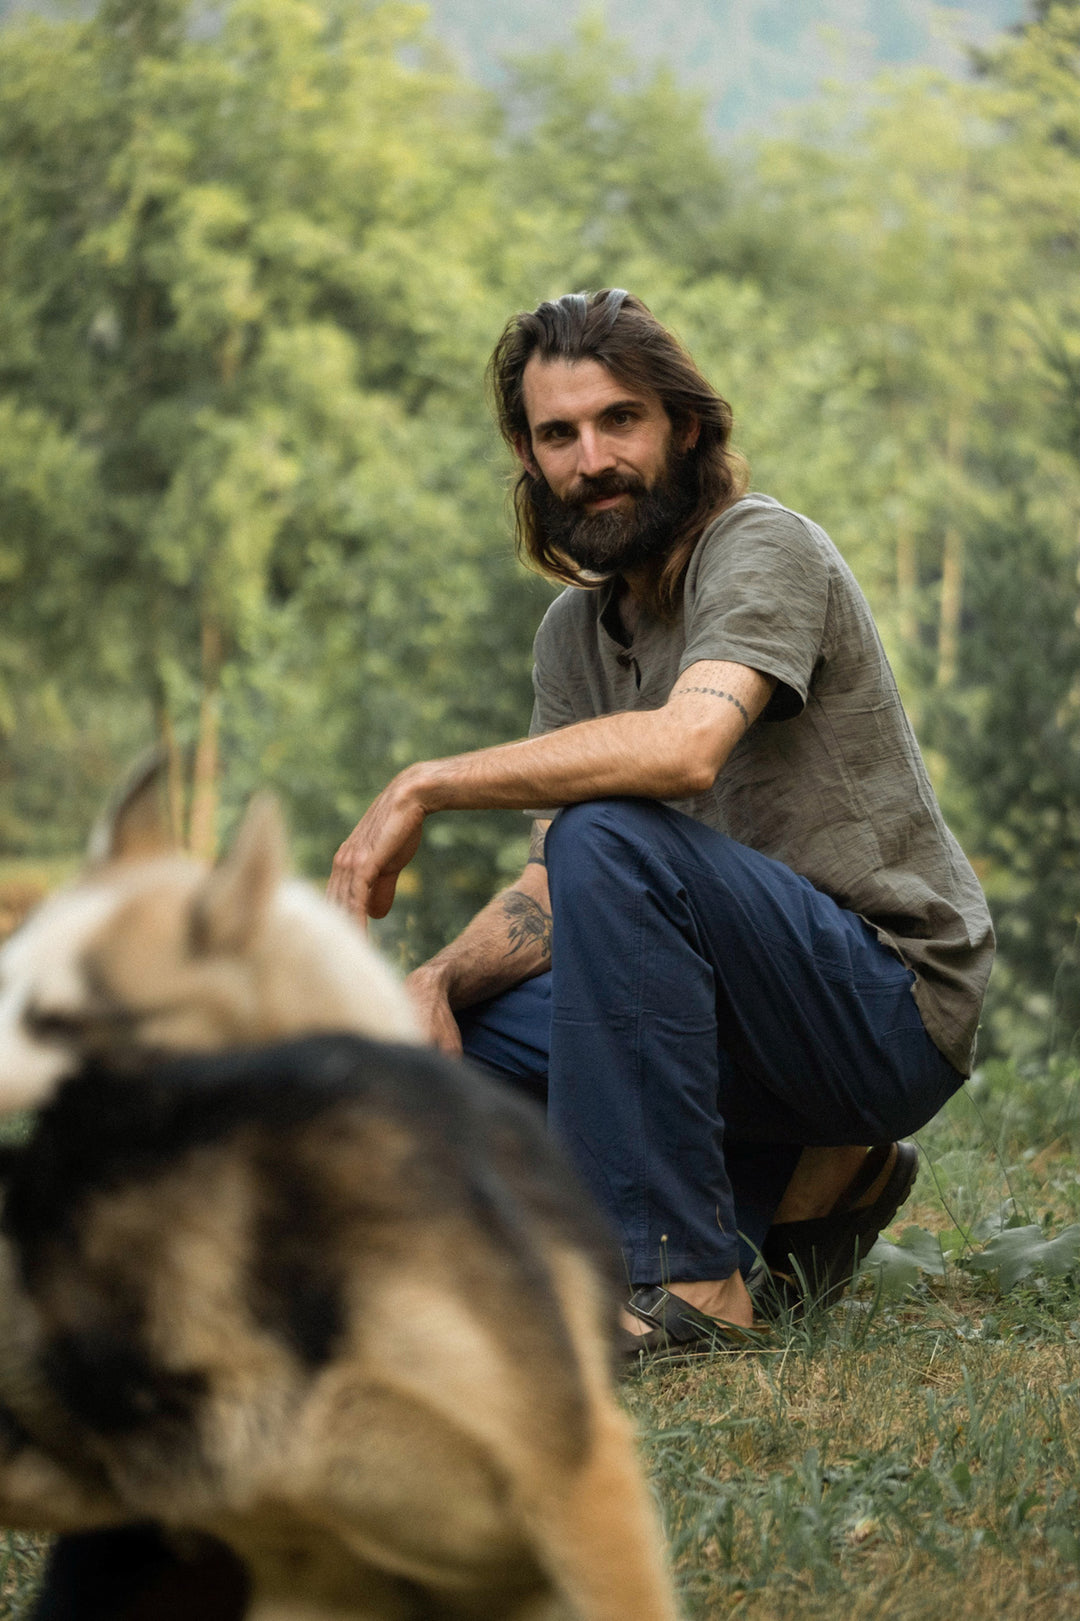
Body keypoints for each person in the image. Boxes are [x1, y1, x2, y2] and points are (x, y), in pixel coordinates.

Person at [328, 288, 994, 1353]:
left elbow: (684, 746)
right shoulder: (572, 634)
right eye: (559, 434)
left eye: (618, 421)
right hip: (729, 1015)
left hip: (882, 1004)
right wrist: (436, 986)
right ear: (528, 453)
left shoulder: (763, 546)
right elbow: (558, 888)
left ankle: (693, 1282)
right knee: (428, 1053)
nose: (590, 458)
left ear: (685, 426)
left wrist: (425, 783)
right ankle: (801, 1186)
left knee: (610, 833)